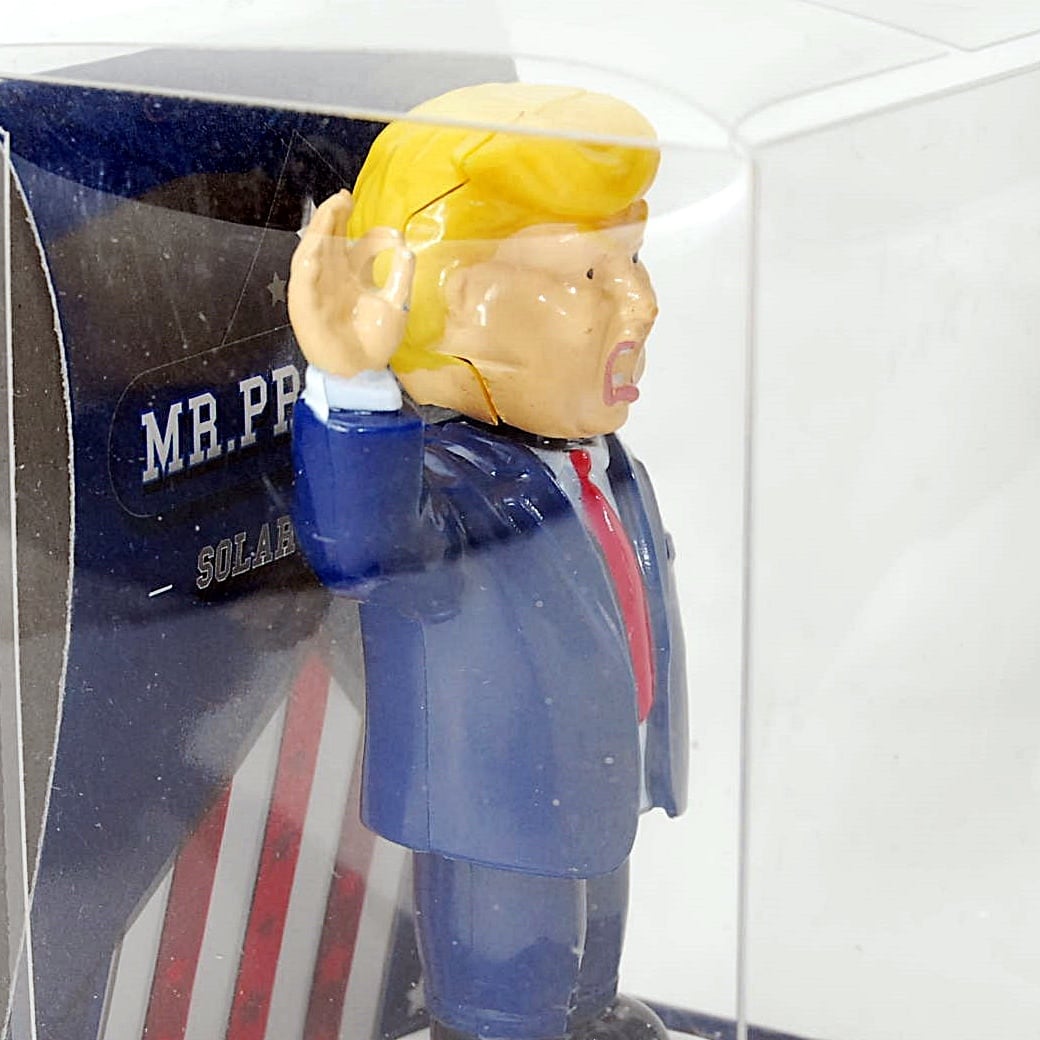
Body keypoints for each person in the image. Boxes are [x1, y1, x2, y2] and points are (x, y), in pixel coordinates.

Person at [289, 82, 687, 1040]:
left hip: (600, 775)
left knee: (590, 969)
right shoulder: (456, 479)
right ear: (465, 303)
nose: (643, 303)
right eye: (588, 273)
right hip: (496, 804)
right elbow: (367, 549)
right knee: (509, 993)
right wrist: (355, 383)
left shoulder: (600, 462)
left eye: (634, 260)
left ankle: (590, 1017)